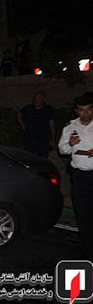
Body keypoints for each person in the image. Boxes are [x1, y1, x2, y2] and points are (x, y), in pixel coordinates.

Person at [58, 94, 93, 259]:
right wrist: (70, 144)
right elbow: (62, 150)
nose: (85, 113)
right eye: (82, 110)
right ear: (77, 111)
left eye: (88, 109)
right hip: (80, 177)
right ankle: (87, 250)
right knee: (83, 213)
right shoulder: (69, 128)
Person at [17, 91, 56, 158]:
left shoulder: (48, 109)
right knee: (29, 157)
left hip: (43, 139)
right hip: (30, 138)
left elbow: (52, 124)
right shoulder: (28, 108)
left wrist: (52, 139)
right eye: (35, 98)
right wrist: (23, 127)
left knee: (43, 158)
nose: (36, 100)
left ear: (43, 99)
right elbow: (19, 115)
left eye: (39, 98)